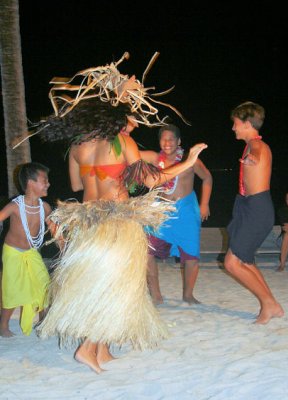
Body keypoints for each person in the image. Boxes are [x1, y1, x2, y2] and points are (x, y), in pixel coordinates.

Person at [34, 57, 208, 374]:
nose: (134, 122)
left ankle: (101, 349)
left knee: (101, 283)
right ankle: (87, 348)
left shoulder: (78, 146)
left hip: (88, 221)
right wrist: (189, 160)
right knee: (114, 286)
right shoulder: (124, 143)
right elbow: (154, 180)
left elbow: (76, 184)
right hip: (117, 222)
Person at [223, 101, 284, 324]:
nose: (233, 128)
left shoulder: (258, 146)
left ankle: (269, 304)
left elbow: (258, 154)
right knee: (245, 261)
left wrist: (253, 159)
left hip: (257, 209)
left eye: (236, 124)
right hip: (249, 207)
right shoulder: (250, 144)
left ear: (248, 124)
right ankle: (272, 305)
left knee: (232, 263)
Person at [139, 124, 213, 304]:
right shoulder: (155, 159)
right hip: (161, 211)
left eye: (171, 138)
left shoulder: (190, 159)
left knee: (191, 255)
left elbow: (207, 178)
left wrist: (204, 204)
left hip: (186, 210)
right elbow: (130, 153)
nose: (167, 142)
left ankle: (188, 295)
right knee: (147, 251)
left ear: (179, 141)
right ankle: (156, 294)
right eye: (163, 138)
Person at [0, 162, 51, 337]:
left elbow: (54, 227)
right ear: (31, 183)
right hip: (13, 252)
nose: (48, 184)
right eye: (44, 180)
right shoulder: (15, 206)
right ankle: (3, 325)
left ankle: (44, 321)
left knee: (43, 283)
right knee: (12, 288)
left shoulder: (44, 207)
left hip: (31, 252)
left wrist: (64, 243)